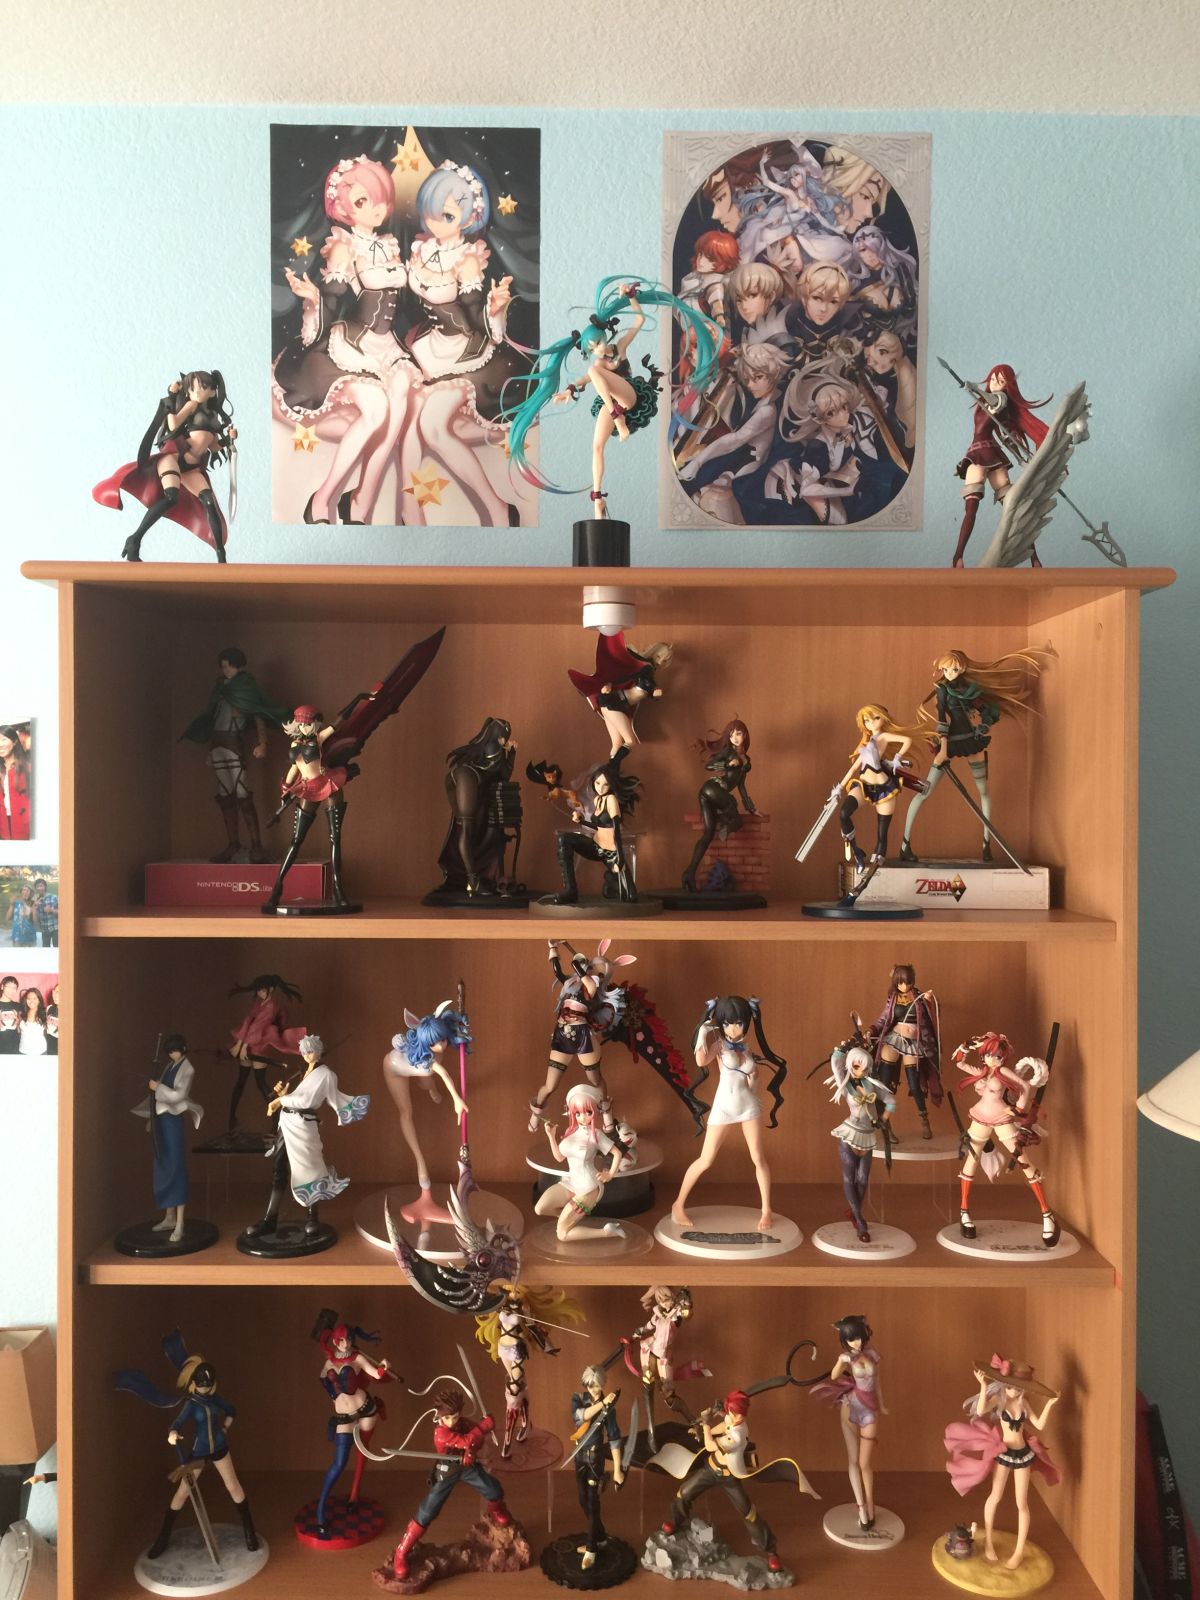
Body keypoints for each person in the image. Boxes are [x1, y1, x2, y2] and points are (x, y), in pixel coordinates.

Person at [274, 154, 419, 526]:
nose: (374, 208)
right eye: (362, 201)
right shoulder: (344, 246)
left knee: (399, 403)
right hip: (353, 347)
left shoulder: (390, 245)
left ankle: (361, 501)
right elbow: (334, 299)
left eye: (379, 198)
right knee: (377, 410)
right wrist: (313, 298)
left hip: (389, 349)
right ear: (343, 207)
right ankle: (322, 499)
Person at [403, 161, 532, 527]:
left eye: (447, 214)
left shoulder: (468, 258)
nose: (436, 222)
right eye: (432, 211)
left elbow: (478, 321)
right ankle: (410, 514)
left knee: (432, 426)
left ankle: (496, 507)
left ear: (470, 215)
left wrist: (496, 309)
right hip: (428, 346)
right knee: (408, 420)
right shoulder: (421, 249)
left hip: (467, 351)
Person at [115, 1334, 258, 1561]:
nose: (205, 1389)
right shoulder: (191, 1404)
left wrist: (225, 1428)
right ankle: (163, 1536)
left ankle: (249, 1530)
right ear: (194, 1383)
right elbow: (177, 1423)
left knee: (233, 1487)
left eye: (208, 1385)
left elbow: (231, 1410)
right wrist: (172, 1434)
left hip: (220, 1449)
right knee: (182, 1493)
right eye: (201, 1385)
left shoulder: (215, 1399)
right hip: (199, 1452)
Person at [901, 647, 1046, 864]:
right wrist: (942, 750)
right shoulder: (942, 690)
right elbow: (942, 721)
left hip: (971, 741)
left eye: (953, 669)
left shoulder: (969, 690)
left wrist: (984, 725)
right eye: (946, 670)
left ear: (962, 669)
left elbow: (989, 711)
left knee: (984, 791)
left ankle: (986, 844)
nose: (949, 673)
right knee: (924, 791)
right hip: (949, 744)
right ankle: (905, 845)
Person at [670, 996, 787, 1233]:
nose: (733, 1028)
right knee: (706, 1160)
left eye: (738, 1023)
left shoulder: (748, 1049)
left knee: (758, 1158)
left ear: (746, 1023)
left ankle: (766, 1209)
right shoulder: (720, 1046)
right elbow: (701, 1060)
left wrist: (754, 1083)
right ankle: (678, 1205)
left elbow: (752, 1081)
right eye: (727, 1023)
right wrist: (702, 1034)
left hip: (748, 1106)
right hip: (724, 1107)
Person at [93, 372, 236, 562]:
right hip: (174, 458)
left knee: (209, 502)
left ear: (212, 392)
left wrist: (229, 439)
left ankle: (221, 557)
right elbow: (174, 423)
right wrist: (171, 398)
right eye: (192, 389)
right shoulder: (191, 406)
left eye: (201, 388)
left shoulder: (213, 418)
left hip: (192, 468)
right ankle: (134, 540)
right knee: (171, 497)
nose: (195, 392)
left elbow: (215, 446)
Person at [247, 1033, 369, 1240]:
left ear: (319, 1051)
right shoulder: (304, 1072)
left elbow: (306, 1101)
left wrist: (281, 1100)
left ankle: (313, 1217)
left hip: (303, 1127)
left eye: (310, 1051)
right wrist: (283, 1095)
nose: (307, 1055)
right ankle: (270, 1219)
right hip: (287, 1124)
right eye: (304, 1052)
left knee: (311, 1168)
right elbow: (297, 1098)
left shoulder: (326, 1075)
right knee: (279, 1169)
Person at [945, 1355, 1060, 1570]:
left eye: (1018, 1387)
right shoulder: (1000, 1401)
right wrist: (983, 1386)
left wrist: (1049, 1404)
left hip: (1023, 1454)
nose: (1014, 1391)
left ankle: (1019, 1551)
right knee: (995, 1496)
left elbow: (1039, 1425)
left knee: (1022, 1503)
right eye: (1010, 1386)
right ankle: (988, 1541)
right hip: (1004, 1453)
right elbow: (980, 1410)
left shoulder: (1023, 1404)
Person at [388, 1383, 512, 1581]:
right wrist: (482, 1428)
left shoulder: (462, 1423)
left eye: (455, 1416)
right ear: (439, 1416)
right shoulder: (441, 1433)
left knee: (494, 1489)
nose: (452, 1421)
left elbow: (477, 1441)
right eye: (447, 1417)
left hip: (468, 1468)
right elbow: (467, 1440)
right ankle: (402, 1552)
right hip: (447, 1472)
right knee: (427, 1511)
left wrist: (475, 1444)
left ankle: (496, 1510)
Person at [180, 648, 288, 864]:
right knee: (225, 795)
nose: (224, 670)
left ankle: (256, 845)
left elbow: (258, 714)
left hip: (234, 742)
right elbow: (212, 716)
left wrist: (263, 743)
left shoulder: (246, 687)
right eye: (223, 666)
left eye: (227, 666)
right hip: (218, 743)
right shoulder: (220, 688)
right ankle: (233, 844)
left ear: (236, 665)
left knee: (242, 794)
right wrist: (210, 750)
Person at [951, 1034, 1059, 1246]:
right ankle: (964, 1212)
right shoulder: (982, 1072)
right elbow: (959, 1063)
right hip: (980, 1117)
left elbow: (1025, 1087)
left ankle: (1047, 1214)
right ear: (984, 1055)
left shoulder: (1003, 1072)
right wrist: (966, 1046)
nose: (994, 1059)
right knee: (972, 1159)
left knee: (1023, 1160)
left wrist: (1017, 1109)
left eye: (998, 1056)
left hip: (1001, 1118)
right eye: (989, 1055)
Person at [951, 365, 1050, 568]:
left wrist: (974, 388)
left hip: (984, 454)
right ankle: (958, 557)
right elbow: (1005, 433)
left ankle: (1034, 558)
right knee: (977, 507)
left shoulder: (1000, 400)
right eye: (994, 378)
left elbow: (994, 401)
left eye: (1001, 381)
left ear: (1008, 386)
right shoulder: (985, 403)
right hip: (983, 453)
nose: (996, 383)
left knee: (1011, 509)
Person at [310, 1309, 394, 1538]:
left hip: (366, 1409)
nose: (346, 1343)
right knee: (339, 1463)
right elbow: (326, 1384)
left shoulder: (357, 1358)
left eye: (348, 1339)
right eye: (341, 1340)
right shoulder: (329, 1363)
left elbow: (375, 1374)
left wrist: (383, 1366)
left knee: (362, 1452)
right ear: (335, 1341)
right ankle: (321, 1511)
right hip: (344, 1417)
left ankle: (354, 1495)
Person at [811, 1315, 886, 1529]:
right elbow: (834, 1376)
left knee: (865, 1463)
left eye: (859, 1337)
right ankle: (861, 1507)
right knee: (853, 1460)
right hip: (851, 1406)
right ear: (845, 1340)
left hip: (870, 1410)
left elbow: (877, 1382)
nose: (856, 1342)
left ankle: (870, 1504)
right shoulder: (847, 1357)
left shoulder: (872, 1355)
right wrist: (840, 1361)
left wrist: (882, 1405)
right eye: (851, 1339)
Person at [130, 1034, 204, 1245]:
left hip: (173, 1121)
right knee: (162, 1163)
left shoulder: (187, 1069)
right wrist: (152, 1119)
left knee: (176, 1166)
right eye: (169, 1051)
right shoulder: (169, 1066)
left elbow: (177, 1096)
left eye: (174, 1050)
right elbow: (159, 1096)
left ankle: (180, 1222)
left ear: (182, 1049)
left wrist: (158, 1088)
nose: (172, 1054)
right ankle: (169, 1216)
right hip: (162, 1120)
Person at [533, 1083, 627, 1245]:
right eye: (578, 1113)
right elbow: (559, 1158)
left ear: (594, 1112)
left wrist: (610, 1174)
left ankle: (607, 1231)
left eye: (587, 1112)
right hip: (571, 1183)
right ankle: (569, 1217)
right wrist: (551, 1136)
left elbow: (617, 1153)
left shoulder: (596, 1134)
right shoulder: (571, 1133)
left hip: (588, 1188)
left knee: (562, 1235)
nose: (582, 1117)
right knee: (540, 1208)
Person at [824, 1038, 894, 1243]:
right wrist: (843, 1048)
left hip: (868, 1135)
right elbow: (836, 1062)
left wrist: (884, 1118)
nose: (861, 1072)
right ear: (850, 1065)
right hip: (850, 1133)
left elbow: (890, 1100)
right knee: (849, 1178)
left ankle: (855, 1213)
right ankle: (860, 1220)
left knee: (862, 1179)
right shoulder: (846, 1084)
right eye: (856, 1066)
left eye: (865, 1068)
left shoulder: (872, 1085)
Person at [681, 719, 756, 893]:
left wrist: (752, 808)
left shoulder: (746, 761)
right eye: (731, 735)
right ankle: (724, 823)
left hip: (710, 794)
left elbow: (741, 786)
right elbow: (708, 765)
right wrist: (728, 764)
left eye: (738, 734)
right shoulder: (728, 752)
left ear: (745, 735)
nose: (735, 738)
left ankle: (689, 873)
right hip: (713, 788)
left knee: (708, 834)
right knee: (734, 814)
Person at [867, 964, 942, 1139]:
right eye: (900, 982)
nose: (904, 986)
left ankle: (924, 1119)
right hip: (893, 1039)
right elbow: (884, 1018)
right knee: (884, 1083)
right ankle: (885, 1122)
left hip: (913, 1044)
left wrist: (930, 1001)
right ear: (895, 982)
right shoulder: (893, 998)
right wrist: (871, 1030)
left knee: (914, 1084)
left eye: (908, 982)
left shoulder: (920, 997)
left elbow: (934, 1017)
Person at [571, 1366, 626, 1570]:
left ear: (603, 1384)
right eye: (591, 1385)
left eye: (597, 1385)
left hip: (595, 1458)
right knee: (582, 1499)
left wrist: (618, 1469)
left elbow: (614, 1439)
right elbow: (581, 1416)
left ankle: (592, 1548)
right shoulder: (578, 1398)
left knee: (592, 1502)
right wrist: (603, 1403)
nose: (594, 1389)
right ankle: (600, 1537)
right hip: (579, 1456)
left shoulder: (609, 1409)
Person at [0, 727, 31, 840]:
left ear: (14, 742)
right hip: (3, 827)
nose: (0, 744)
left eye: (3, 739)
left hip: (24, 826)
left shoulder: (27, 767)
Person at [17, 986, 48, 1056]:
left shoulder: (45, 1013)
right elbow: (19, 1030)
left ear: (39, 1000)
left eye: (34, 998)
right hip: (23, 1051)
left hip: (40, 1052)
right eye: (29, 998)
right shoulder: (21, 1013)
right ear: (26, 1000)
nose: (31, 1001)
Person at [31, 879, 57, 949]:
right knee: (45, 950)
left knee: (57, 949)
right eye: (37, 886)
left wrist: (51, 910)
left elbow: (63, 912)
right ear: (36, 888)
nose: (39, 888)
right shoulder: (35, 900)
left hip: (55, 928)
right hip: (44, 930)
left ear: (45, 887)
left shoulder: (53, 897)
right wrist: (34, 908)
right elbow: (34, 920)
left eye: (41, 886)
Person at [8, 884, 37, 948]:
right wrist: (11, 905)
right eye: (24, 890)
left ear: (31, 893)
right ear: (21, 892)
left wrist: (34, 909)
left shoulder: (33, 904)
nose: (25, 892)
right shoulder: (15, 903)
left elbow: (35, 921)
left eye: (28, 890)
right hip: (17, 937)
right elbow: (8, 918)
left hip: (30, 938)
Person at [0, 975, 20, 1053]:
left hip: (14, 1048)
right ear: (2, 987)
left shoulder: (18, 1006)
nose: (11, 990)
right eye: (9, 987)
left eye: (14, 988)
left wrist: (19, 1022)